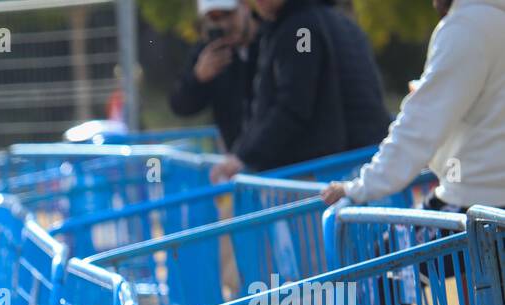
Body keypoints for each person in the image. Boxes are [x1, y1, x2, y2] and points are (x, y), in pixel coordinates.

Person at [322, 0, 505, 212]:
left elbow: (422, 122)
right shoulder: (490, 17)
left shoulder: (467, 26)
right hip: (489, 201)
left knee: (387, 245)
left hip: (477, 205)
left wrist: (361, 186)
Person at [210, 0, 390, 180]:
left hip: (329, 173)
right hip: (361, 165)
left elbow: (294, 105)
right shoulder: (340, 22)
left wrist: (244, 156)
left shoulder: (302, 30)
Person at [168, 0, 260, 152]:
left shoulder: (270, 39)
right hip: (236, 159)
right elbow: (179, 105)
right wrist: (198, 78)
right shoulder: (207, 51)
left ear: (244, 6)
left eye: (228, 14)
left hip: (281, 159)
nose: (223, 24)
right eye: (214, 17)